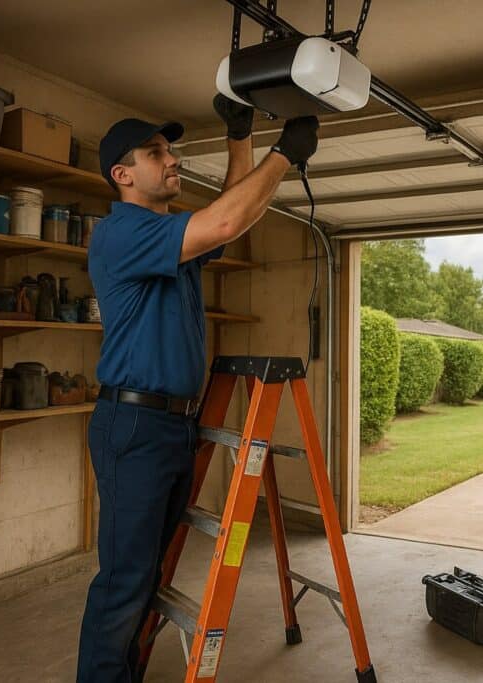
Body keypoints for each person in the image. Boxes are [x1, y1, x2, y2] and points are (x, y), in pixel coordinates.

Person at [76, 94, 319, 683]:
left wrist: (241, 139)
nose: (171, 159)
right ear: (123, 174)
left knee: (149, 572)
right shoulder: (122, 233)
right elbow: (228, 220)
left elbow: (228, 214)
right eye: (155, 152)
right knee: (125, 578)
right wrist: (284, 154)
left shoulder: (167, 239)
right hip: (134, 426)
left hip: (170, 426)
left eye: (171, 149)